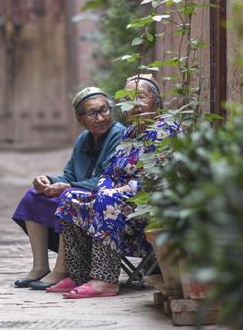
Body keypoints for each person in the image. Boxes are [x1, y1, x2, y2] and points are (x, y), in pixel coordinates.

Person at [48, 75, 178, 299]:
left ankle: (105, 280)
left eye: (142, 98)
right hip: (123, 205)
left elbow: (155, 180)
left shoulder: (165, 130)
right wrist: (106, 187)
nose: (134, 104)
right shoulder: (129, 134)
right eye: (128, 99)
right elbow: (109, 172)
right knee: (70, 199)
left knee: (107, 200)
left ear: (156, 101)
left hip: (149, 208)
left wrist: (115, 192)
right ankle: (79, 274)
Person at [11, 86, 126, 289]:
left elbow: (110, 178)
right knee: (33, 195)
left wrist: (68, 186)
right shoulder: (83, 139)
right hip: (79, 190)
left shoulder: (119, 135)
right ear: (80, 118)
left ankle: (62, 269)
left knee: (69, 196)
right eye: (92, 113)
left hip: (104, 197)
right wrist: (48, 180)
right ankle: (40, 266)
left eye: (104, 110)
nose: (100, 118)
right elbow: (70, 175)